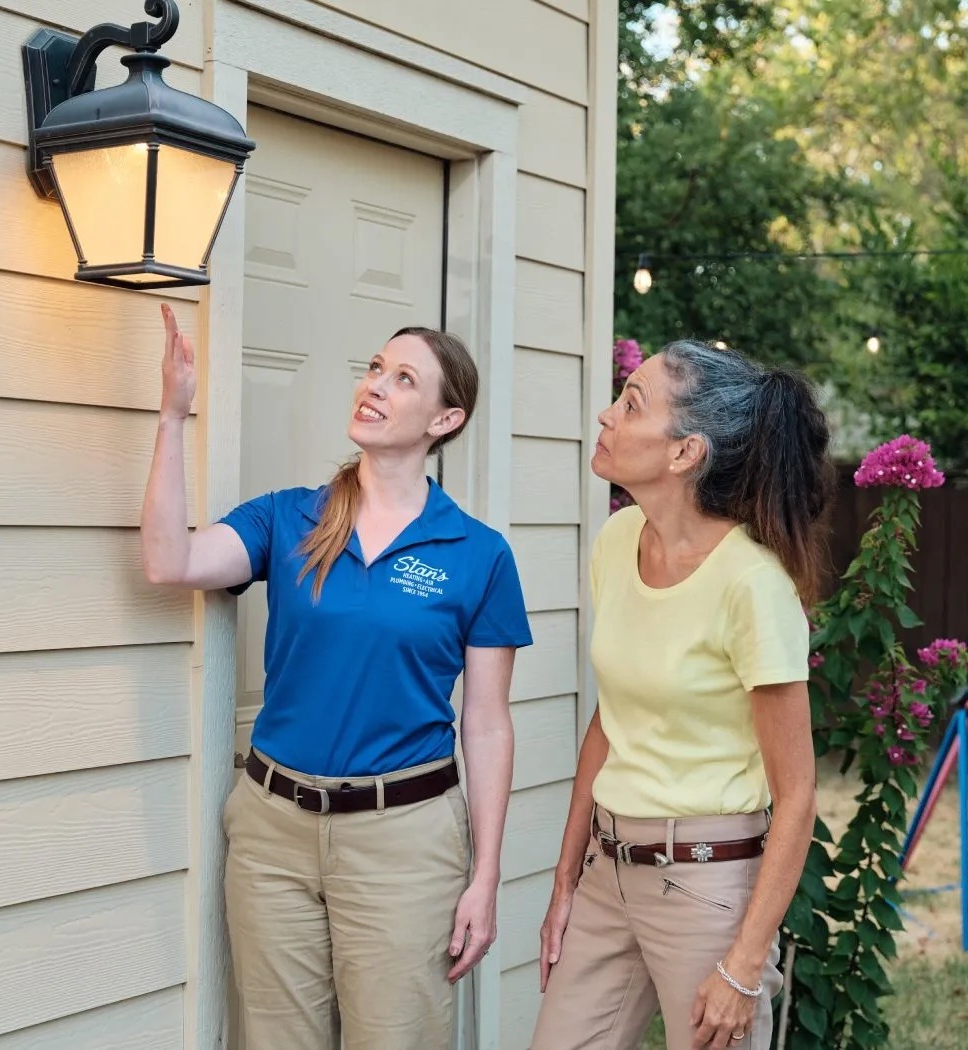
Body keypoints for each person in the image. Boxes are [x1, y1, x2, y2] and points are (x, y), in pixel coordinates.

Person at [142, 304, 533, 1050]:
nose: (376, 385)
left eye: (404, 378)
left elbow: (486, 723)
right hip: (271, 833)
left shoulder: (477, 554)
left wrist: (485, 876)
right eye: (376, 368)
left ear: (444, 421)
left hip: (405, 843)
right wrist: (172, 418)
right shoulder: (288, 519)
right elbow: (170, 563)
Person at [530, 341, 830, 1050]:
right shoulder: (616, 541)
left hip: (707, 889)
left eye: (632, 403)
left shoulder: (751, 586)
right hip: (611, 874)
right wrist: (567, 877)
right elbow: (612, 721)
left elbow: (797, 796)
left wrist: (745, 964)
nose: (607, 415)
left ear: (684, 452)